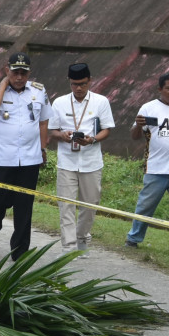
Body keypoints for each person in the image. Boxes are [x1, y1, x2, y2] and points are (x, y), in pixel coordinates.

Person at [0, 52, 51, 259]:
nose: (19, 77)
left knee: (24, 207)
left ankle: (19, 250)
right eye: (15, 72)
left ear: (29, 73)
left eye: (23, 73)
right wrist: (4, 84)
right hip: (4, 159)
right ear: (7, 71)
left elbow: (44, 121)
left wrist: (42, 148)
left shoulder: (38, 92)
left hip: (29, 159)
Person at [49, 63, 114, 254]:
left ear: (90, 81)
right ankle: (68, 247)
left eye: (83, 84)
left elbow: (107, 129)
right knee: (66, 204)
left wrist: (92, 140)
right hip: (67, 161)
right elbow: (52, 130)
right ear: (69, 82)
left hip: (91, 161)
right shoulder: (59, 102)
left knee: (90, 204)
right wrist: (62, 135)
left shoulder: (101, 101)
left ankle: (81, 236)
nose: (79, 88)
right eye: (74, 84)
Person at [126, 72, 169, 256]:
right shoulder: (148, 108)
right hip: (156, 168)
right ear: (160, 89)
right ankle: (133, 238)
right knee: (145, 207)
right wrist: (138, 125)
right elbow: (135, 136)